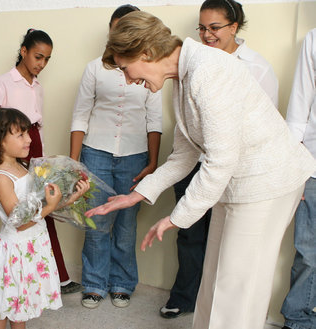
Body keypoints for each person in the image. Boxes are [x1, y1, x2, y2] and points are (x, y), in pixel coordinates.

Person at [85, 11, 316, 329]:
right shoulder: (184, 75)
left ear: (146, 53)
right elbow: (184, 155)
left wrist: (176, 217)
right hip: (236, 183)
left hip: (266, 184)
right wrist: (136, 195)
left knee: (237, 288)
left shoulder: (207, 70)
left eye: (126, 68)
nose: (127, 80)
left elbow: (220, 160)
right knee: (215, 279)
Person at [160, 0, 280, 318]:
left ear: (234, 27)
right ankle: (185, 298)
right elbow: (186, 125)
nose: (207, 35)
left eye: (214, 28)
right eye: (202, 28)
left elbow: (264, 127)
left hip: (235, 169)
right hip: (193, 161)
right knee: (190, 234)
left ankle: (217, 305)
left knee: (227, 244)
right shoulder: (192, 64)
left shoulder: (257, 67)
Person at [69, 4, 162, 309]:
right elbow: (80, 116)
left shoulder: (149, 68)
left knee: (125, 224)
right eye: (116, 29)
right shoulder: (94, 68)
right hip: (95, 153)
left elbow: (154, 118)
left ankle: (122, 282)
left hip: (135, 157)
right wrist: (74, 163)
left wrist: (152, 161)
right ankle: (95, 283)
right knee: (95, 222)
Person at [0, 29, 83, 295]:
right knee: (28, 209)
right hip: (11, 149)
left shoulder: (38, 87)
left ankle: (54, 274)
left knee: (44, 204)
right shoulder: (3, 83)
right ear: (24, 51)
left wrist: (41, 155)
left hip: (32, 143)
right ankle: (53, 274)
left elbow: (36, 128)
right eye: (38, 56)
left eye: (47, 59)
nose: (41, 64)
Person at [0, 108, 90, 329]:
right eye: (20, 135)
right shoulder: (1, 177)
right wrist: (49, 205)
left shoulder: (22, 166)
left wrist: (72, 197)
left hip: (32, 245)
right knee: (2, 310)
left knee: (21, 308)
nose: (29, 139)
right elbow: (20, 222)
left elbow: (42, 206)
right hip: (15, 250)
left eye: (28, 133)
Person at [281, 28, 316, 329]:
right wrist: (295, 169)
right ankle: (297, 320)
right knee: (308, 253)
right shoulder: (314, 39)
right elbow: (298, 110)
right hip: (314, 167)